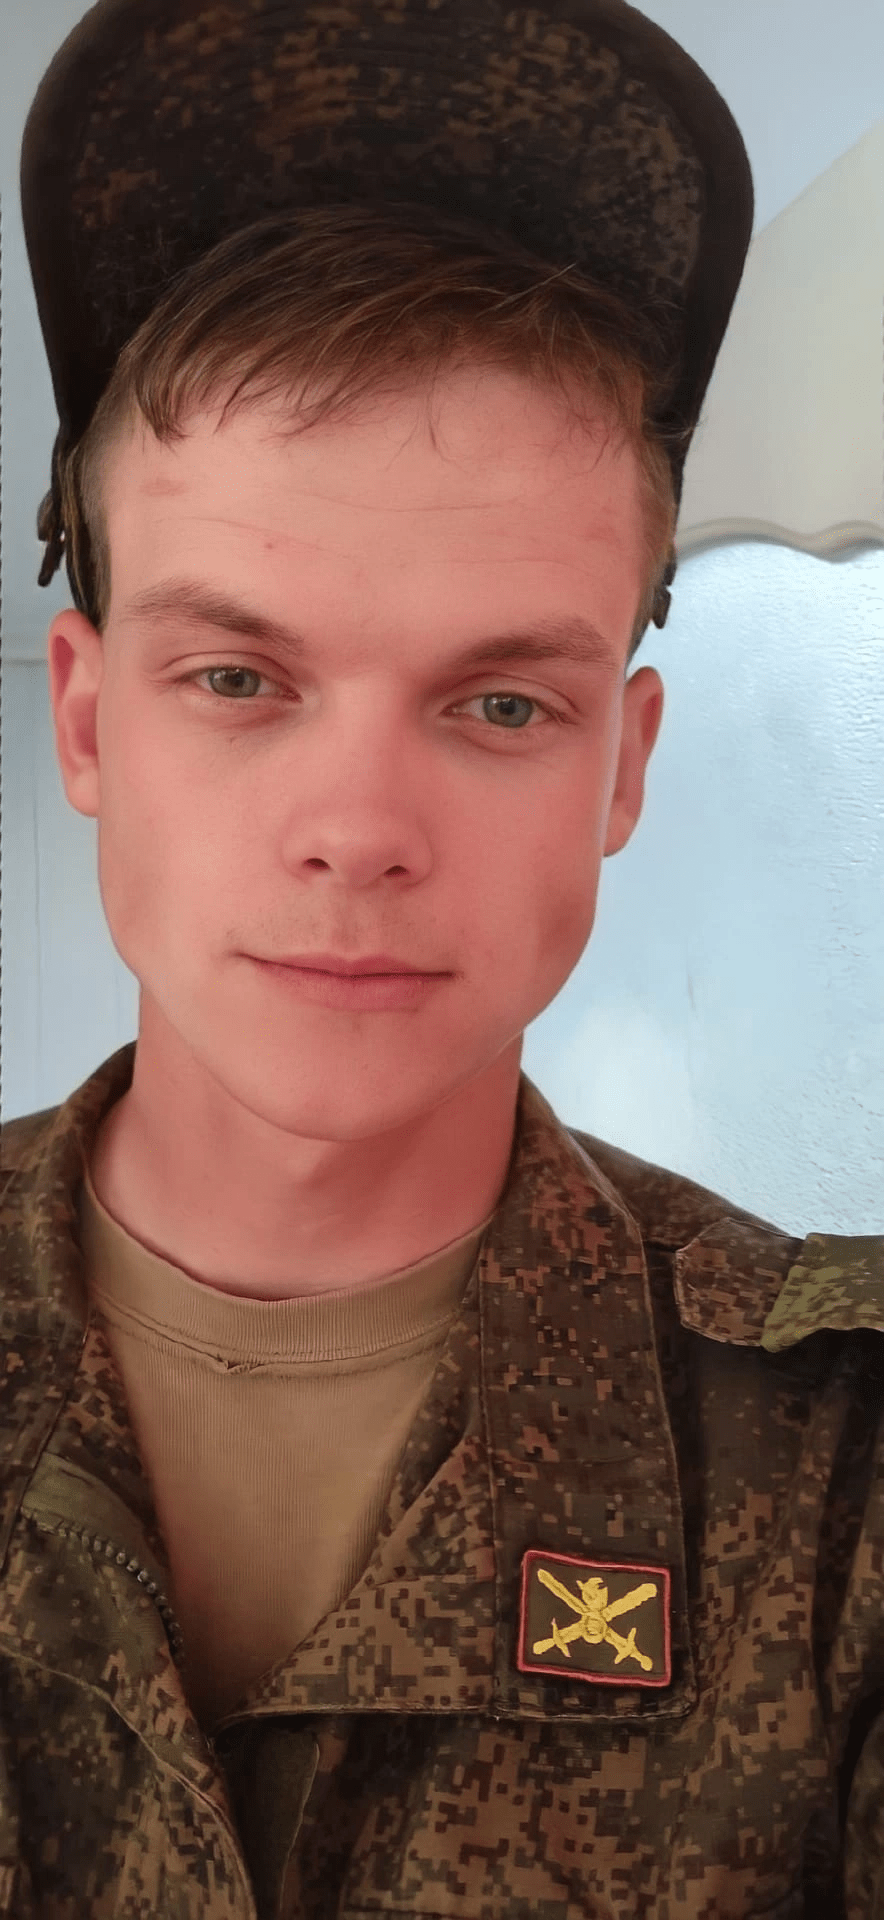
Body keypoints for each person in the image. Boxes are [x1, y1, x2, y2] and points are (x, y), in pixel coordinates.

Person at [1, 1, 881, 1915]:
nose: (360, 830)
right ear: (86, 723)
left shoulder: (848, 1477)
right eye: (237, 679)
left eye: (498, 704)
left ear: (620, 769)